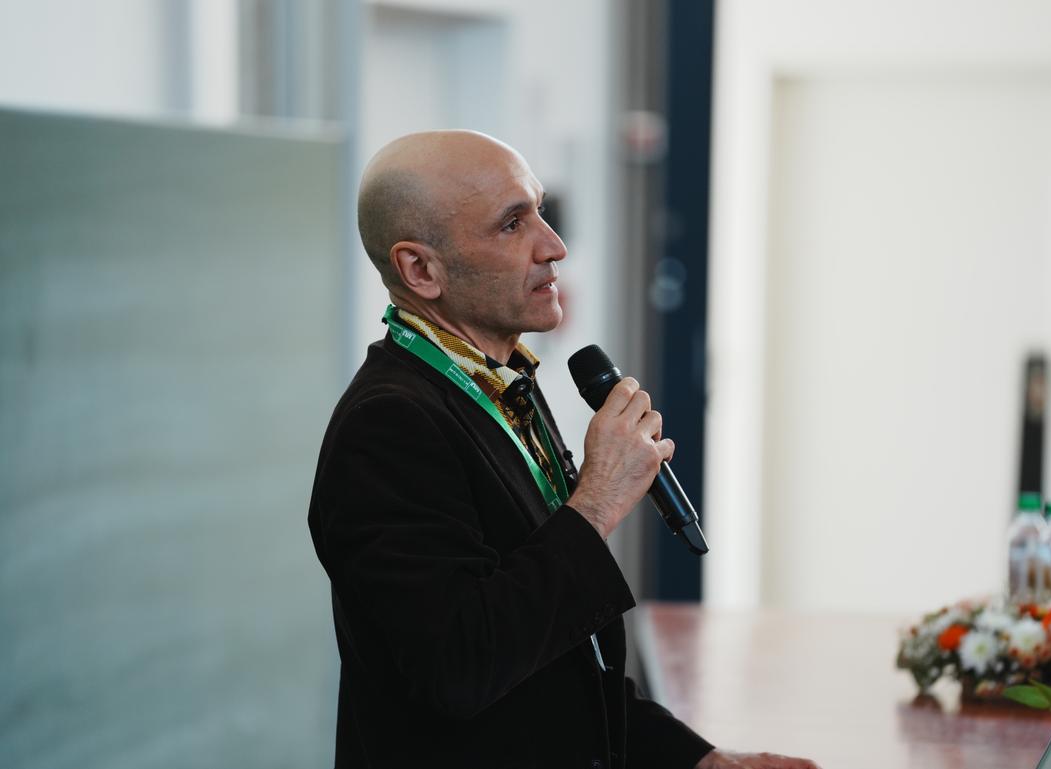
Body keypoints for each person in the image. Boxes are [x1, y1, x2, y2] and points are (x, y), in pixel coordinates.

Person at [307, 129, 820, 769]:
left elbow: (564, 664)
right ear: (421, 270)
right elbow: (459, 668)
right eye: (512, 224)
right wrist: (597, 501)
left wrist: (700, 760)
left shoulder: (501, 387)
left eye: (540, 211)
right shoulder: (388, 425)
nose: (554, 246)